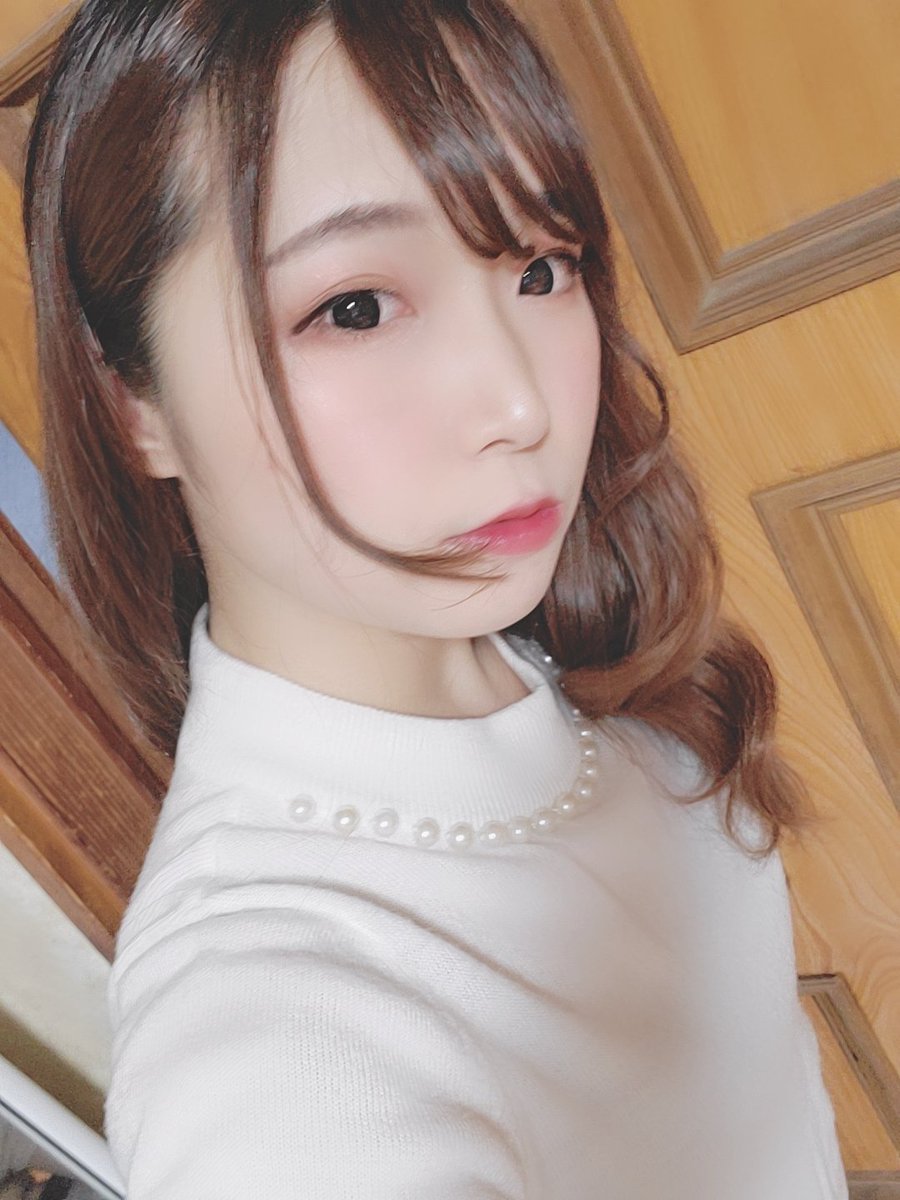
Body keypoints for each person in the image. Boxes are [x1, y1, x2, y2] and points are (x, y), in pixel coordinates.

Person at [23, 0, 848, 1196]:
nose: (521, 404)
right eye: (354, 308)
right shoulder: (272, 1028)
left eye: (542, 268)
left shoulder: (582, 650)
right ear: (132, 405)